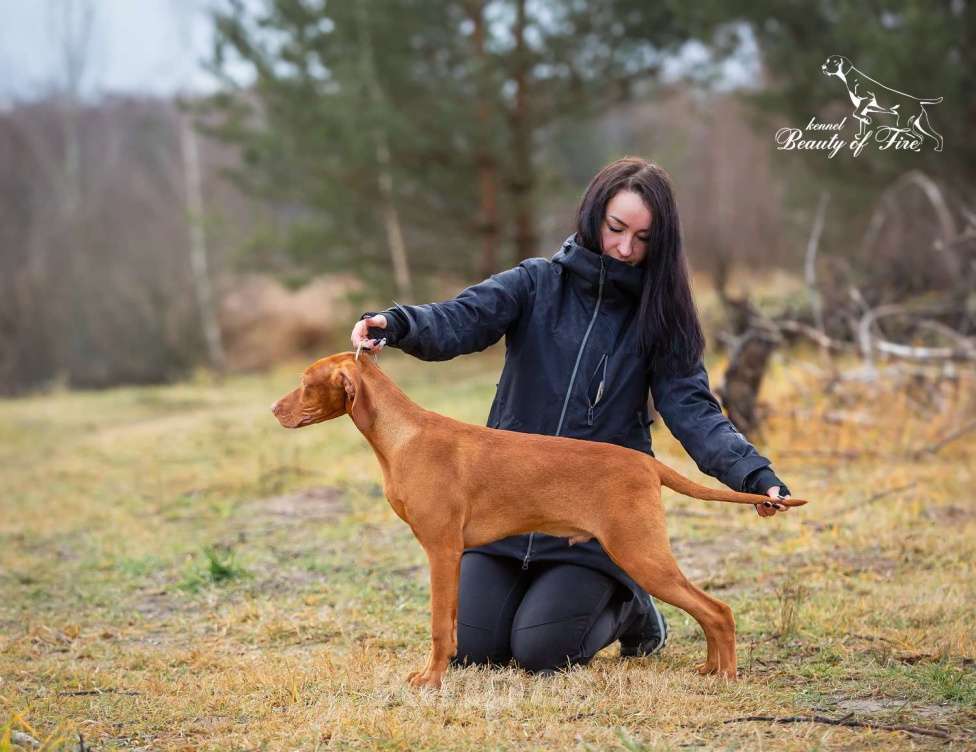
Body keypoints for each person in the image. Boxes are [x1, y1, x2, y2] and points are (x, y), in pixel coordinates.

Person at [349, 156, 792, 674]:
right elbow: (462, 318)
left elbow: (692, 409)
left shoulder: (661, 317)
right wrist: (396, 324)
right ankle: (545, 597)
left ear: (662, 242)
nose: (626, 248)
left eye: (643, 238)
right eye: (616, 228)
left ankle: (634, 609)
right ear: (593, 217)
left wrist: (752, 474)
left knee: (542, 653)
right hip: (505, 514)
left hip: (596, 513)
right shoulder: (536, 283)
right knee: (476, 651)